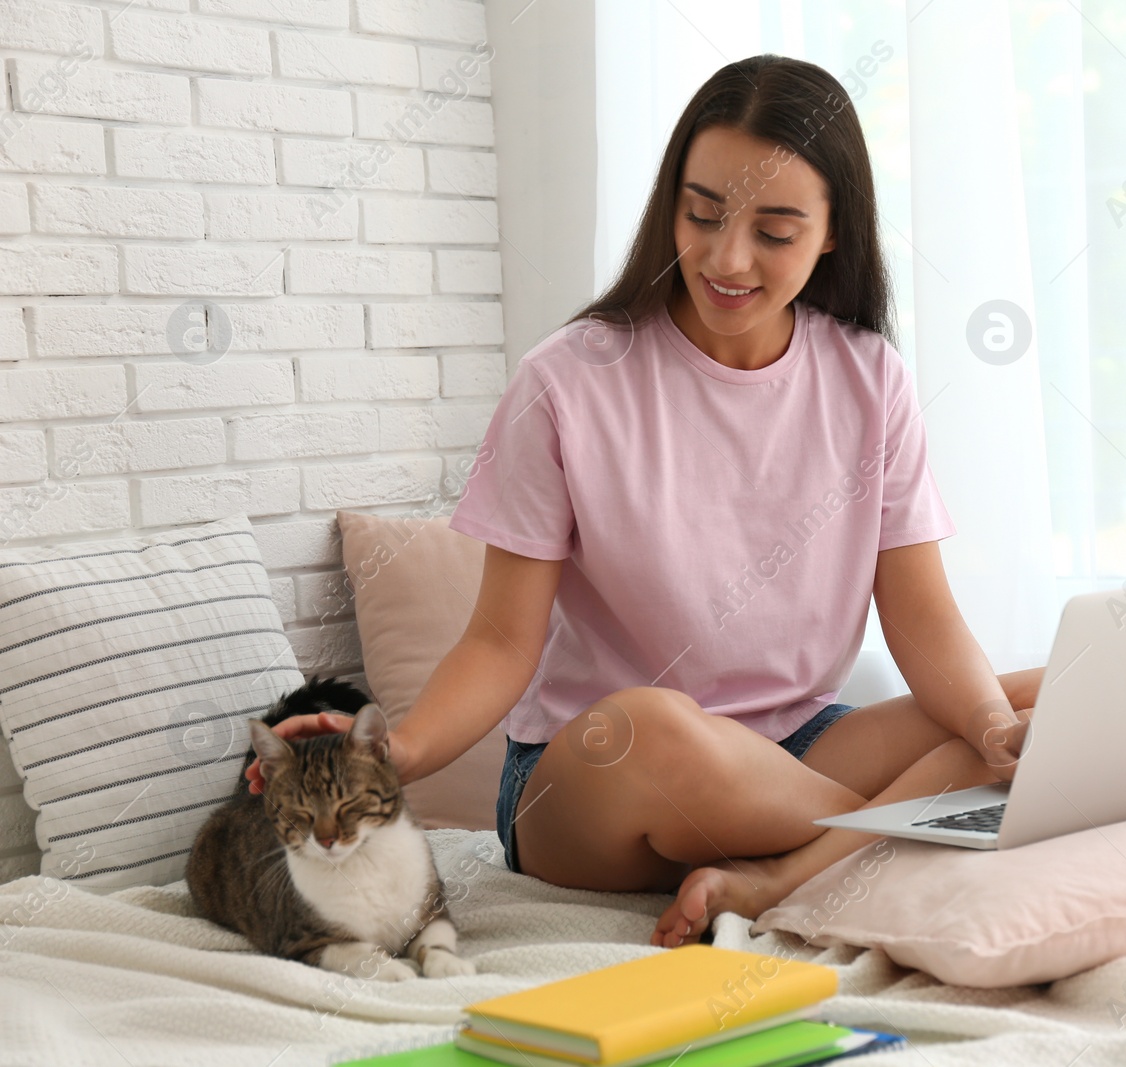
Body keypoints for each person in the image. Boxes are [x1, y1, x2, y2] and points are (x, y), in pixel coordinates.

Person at [247, 54, 1041, 949]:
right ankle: (905, 830)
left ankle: (790, 868)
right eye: (702, 214)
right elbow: (504, 639)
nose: (726, 257)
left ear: (831, 235)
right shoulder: (569, 379)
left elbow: (924, 616)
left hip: (796, 744)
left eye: (775, 231)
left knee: (1054, 697)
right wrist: (399, 752)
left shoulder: (870, 377)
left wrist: (987, 729)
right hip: (589, 776)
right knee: (657, 725)